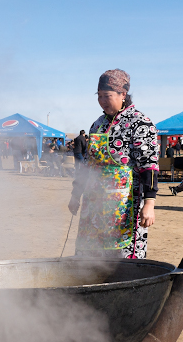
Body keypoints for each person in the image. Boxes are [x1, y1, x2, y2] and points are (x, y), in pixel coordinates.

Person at [68, 69, 158, 258]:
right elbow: (87, 164)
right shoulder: (97, 124)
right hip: (93, 205)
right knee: (89, 259)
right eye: (99, 96)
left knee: (121, 263)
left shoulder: (140, 123)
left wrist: (149, 204)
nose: (102, 101)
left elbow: (149, 166)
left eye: (107, 96)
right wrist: (76, 194)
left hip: (125, 207)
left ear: (123, 94)